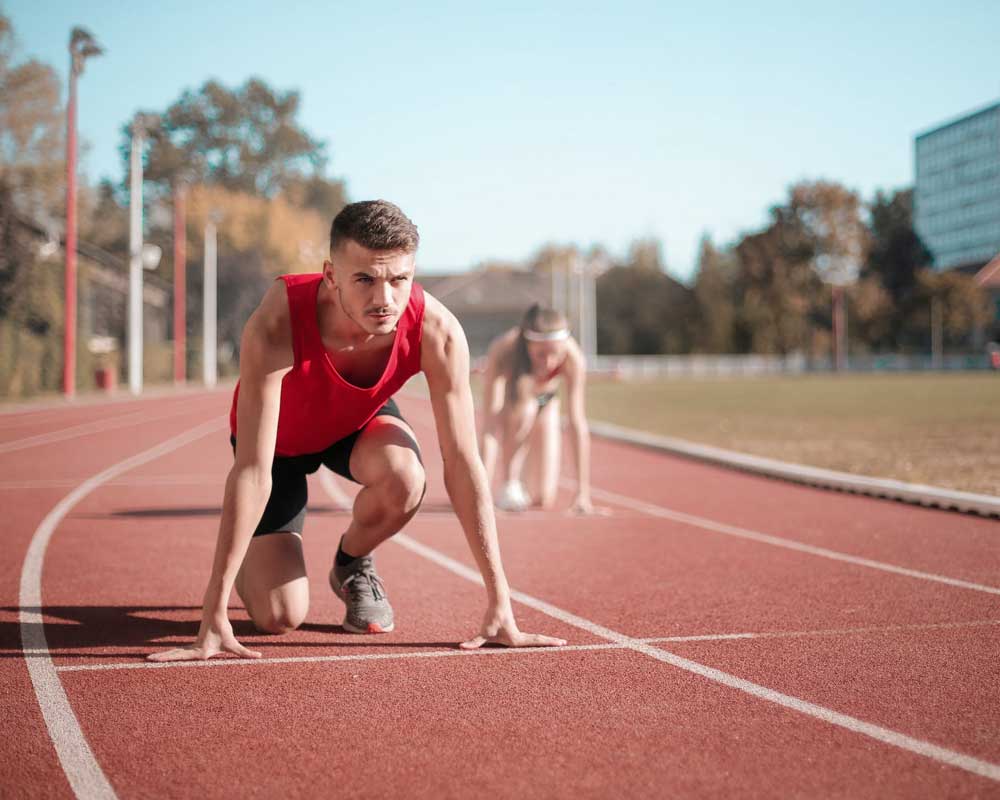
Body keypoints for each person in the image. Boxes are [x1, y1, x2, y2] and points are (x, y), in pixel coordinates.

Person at [149, 200, 566, 662]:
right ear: (331, 275)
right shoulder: (278, 320)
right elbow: (252, 469)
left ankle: (351, 564)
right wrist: (213, 613)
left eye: (398, 279)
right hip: (279, 446)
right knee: (279, 617)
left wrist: (500, 603)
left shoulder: (438, 332)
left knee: (408, 478)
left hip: (354, 425)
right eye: (365, 279)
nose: (384, 299)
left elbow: (464, 463)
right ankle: (252, 553)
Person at [478, 304, 599, 514]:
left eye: (555, 354)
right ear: (527, 345)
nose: (549, 362)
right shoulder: (503, 349)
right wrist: (480, 492)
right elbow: (490, 425)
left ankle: (525, 481)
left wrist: (583, 493)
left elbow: (577, 423)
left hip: (547, 401)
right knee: (526, 410)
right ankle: (510, 482)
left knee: (542, 497)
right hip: (514, 402)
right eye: (541, 354)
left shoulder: (573, 358)